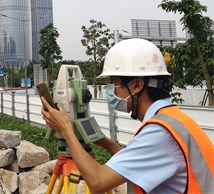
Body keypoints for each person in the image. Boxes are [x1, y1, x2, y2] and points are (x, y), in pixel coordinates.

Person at [41, 38, 214, 193]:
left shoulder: (159, 134)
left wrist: (65, 129)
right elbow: (136, 157)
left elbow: (97, 182)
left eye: (114, 83)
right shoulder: (173, 120)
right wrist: (103, 142)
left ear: (137, 85)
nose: (111, 90)